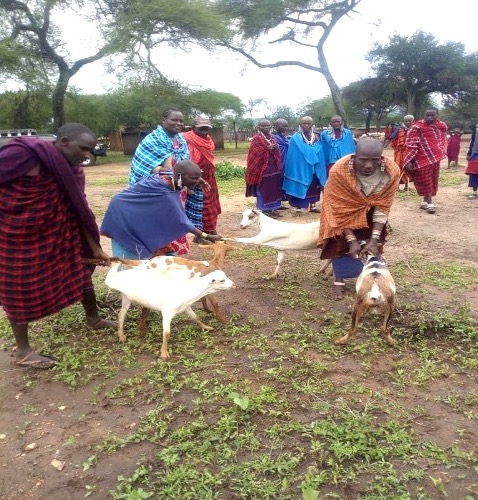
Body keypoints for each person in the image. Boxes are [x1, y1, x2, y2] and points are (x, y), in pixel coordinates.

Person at [0, 123, 117, 369]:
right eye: (83, 148)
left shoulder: (73, 171)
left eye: (90, 150)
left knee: (80, 273)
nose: (86, 155)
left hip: (60, 234)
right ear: (64, 142)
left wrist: (95, 247)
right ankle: (23, 351)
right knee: (19, 288)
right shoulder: (21, 155)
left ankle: (93, 319)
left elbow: (79, 208)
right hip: (17, 237)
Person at [318, 138, 400, 300]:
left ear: (381, 158)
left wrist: (374, 238)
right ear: (354, 157)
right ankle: (339, 279)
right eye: (363, 160)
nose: (369, 165)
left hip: (372, 209)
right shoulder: (339, 171)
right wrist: (351, 240)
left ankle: (370, 276)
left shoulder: (391, 172)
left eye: (375, 160)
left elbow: (383, 206)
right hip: (341, 209)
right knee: (340, 243)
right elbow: (339, 210)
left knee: (371, 244)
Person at [101, 160, 222, 259]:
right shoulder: (165, 194)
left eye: (198, 177)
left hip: (139, 215)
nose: (196, 181)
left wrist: (199, 180)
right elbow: (182, 222)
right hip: (123, 213)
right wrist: (207, 236)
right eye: (194, 178)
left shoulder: (172, 177)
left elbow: (174, 172)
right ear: (180, 176)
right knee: (132, 259)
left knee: (161, 254)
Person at [129, 108, 204, 254]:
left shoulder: (181, 140)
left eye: (181, 121)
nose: (179, 123)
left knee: (174, 218)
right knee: (158, 223)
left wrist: (192, 179)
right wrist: (173, 174)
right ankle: (158, 253)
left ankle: (172, 254)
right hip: (156, 191)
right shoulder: (152, 140)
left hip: (176, 188)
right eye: (174, 120)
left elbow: (186, 165)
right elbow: (149, 168)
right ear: (163, 120)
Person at [403, 108, 448, 214]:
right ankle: (430, 203)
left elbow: (442, 141)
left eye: (432, 115)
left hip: (435, 158)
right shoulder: (417, 127)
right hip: (420, 158)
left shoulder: (442, 126)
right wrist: (409, 160)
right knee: (424, 180)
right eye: (427, 115)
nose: (429, 117)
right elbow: (410, 144)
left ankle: (425, 202)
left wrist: (439, 151)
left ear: (437, 115)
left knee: (432, 179)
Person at [182, 117, 221, 240]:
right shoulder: (185, 139)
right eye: (201, 129)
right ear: (193, 128)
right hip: (193, 180)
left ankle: (207, 232)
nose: (205, 132)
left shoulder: (208, 140)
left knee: (211, 205)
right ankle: (203, 235)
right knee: (201, 207)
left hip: (209, 178)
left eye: (206, 129)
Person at [283, 116, 327, 214]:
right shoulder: (295, 138)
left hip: (316, 166)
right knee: (301, 184)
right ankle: (299, 206)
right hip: (300, 167)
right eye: (304, 123)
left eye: (309, 123)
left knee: (314, 185)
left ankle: (313, 205)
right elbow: (293, 156)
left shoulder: (318, 137)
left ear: (312, 125)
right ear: (300, 125)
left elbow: (321, 153)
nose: (306, 125)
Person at [245, 119, 283, 217]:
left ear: (271, 127)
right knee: (264, 189)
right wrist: (267, 149)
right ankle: (265, 210)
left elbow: (277, 152)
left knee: (274, 188)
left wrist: (274, 148)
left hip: (274, 168)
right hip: (262, 170)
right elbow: (255, 153)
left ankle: (273, 209)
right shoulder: (257, 139)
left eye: (267, 125)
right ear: (259, 127)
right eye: (263, 126)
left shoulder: (272, 137)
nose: (266, 127)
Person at [383, 114, 415, 189]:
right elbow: (391, 137)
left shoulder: (415, 129)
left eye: (409, 121)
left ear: (413, 121)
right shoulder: (399, 129)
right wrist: (384, 146)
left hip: (410, 152)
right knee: (399, 167)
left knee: (410, 168)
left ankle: (407, 185)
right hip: (400, 152)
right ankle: (396, 185)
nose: (408, 122)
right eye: (406, 121)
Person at [272, 118, 290, 210]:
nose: (285, 128)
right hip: (277, 164)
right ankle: (274, 204)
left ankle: (279, 204)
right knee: (275, 184)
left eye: (286, 126)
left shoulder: (284, 137)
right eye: (283, 125)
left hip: (285, 164)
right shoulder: (273, 137)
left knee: (282, 184)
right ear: (276, 126)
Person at [465, 123, 478, 199]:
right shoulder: (476, 127)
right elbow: (472, 141)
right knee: (474, 174)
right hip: (475, 153)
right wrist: (469, 153)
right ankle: (474, 193)